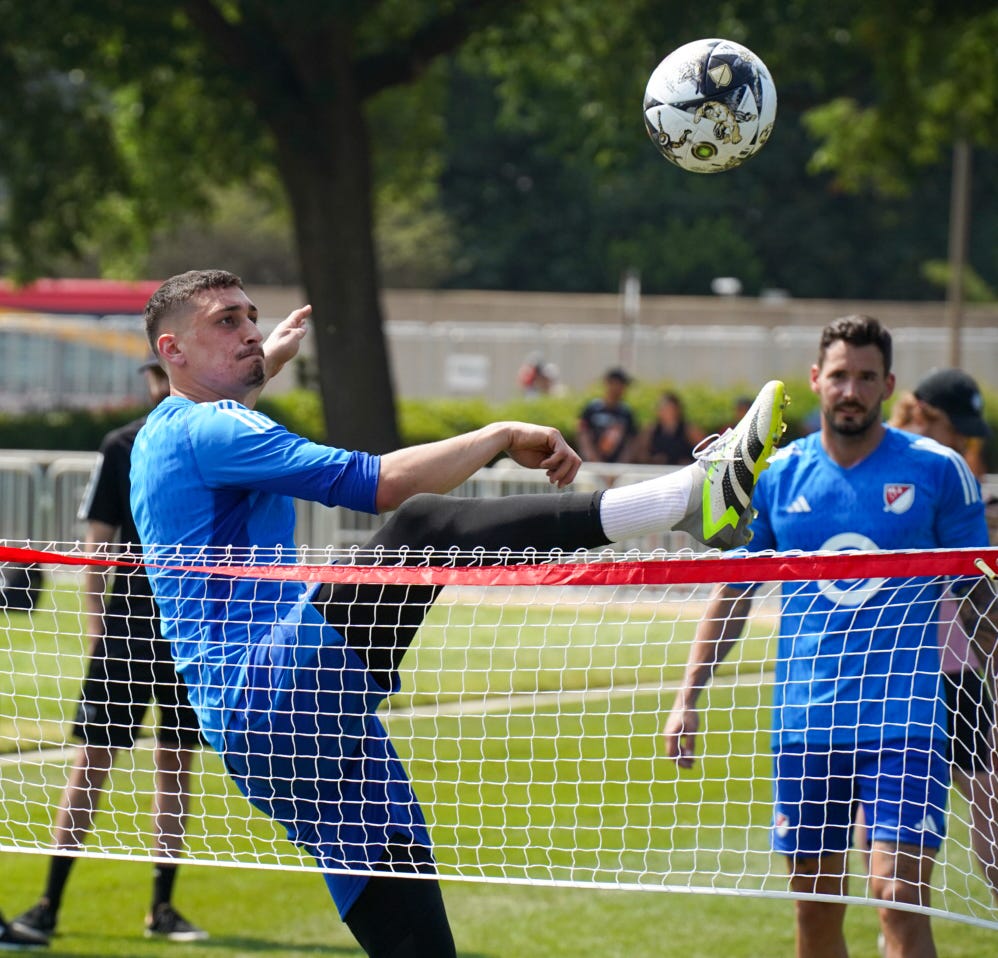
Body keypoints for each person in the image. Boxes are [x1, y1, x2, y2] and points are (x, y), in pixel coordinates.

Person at [128, 269, 787, 958]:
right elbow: (373, 485)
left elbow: (226, 395)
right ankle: (683, 498)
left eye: (253, 318)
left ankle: (687, 505)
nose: (252, 332)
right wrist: (498, 433)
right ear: (173, 350)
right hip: (269, 695)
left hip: (285, 729)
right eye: (227, 321)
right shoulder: (212, 427)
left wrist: (268, 358)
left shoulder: (170, 430)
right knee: (422, 525)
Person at [663, 315, 998, 958]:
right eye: (839, 375)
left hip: (906, 725)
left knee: (899, 899)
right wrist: (688, 695)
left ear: (888, 384)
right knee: (815, 915)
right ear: (816, 380)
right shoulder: (777, 477)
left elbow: (979, 598)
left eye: (866, 377)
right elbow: (733, 593)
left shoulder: (938, 471)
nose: (851, 390)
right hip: (806, 726)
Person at [12, 360, 208, 945]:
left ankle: (162, 908)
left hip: (191, 631)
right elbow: (98, 543)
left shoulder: (210, 445)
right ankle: (47, 904)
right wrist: (100, 626)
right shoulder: (123, 445)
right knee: (92, 763)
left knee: (176, 765)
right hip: (129, 629)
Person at [884, 368, 998, 903]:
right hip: (897, 673)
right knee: (891, 860)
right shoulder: (892, 471)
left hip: (954, 670)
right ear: (926, 416)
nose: (965, 441)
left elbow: (975, 589)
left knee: (989, 813)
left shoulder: (953, 475)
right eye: (959, 427)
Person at [576, 367, 639, 463]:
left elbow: (631, 442)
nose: (622, 389)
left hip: (618, 470)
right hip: (592, 466)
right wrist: (594, 460)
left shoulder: (626, 413)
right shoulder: (592, 409)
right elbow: (583, 435)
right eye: (619, 384)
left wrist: (620, 465)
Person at [637, 391, 703, 466]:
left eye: (670, 408)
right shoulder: (651, 431)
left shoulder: (689, 430)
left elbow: (706, 450)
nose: (667, 412)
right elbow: (640, 453)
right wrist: (653, 459)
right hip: (658, 472)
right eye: (663, 408)